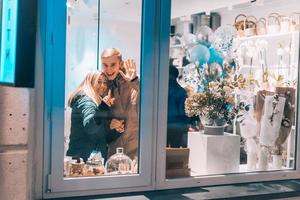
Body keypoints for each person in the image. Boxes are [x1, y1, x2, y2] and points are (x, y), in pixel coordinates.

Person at [66, 71, 124, 162]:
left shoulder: (96, 102)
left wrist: (115, 129)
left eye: (105, 83)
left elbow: (100, 136)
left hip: (88, 160)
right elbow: (91, 127)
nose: (103, 86)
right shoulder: (86, 101)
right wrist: (104, 107)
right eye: (99, 82)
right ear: (90, 82)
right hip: (81, 162)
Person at [101, 48, 139, 159]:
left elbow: (150, 100)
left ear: (121, 63)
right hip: (114, 151)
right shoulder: (103, 85)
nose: (108, 69)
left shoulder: (134, 81)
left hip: (135, 150)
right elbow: (97, 119)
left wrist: (134, 81)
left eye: (113, 65)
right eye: (105, 65)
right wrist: (109, 123)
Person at [167, 59, 189, 147]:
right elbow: (183, 111)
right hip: (178, 126)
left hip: (162, 125)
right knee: (175, 152)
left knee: (160, 151)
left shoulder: (160, 90)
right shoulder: (182, 91)